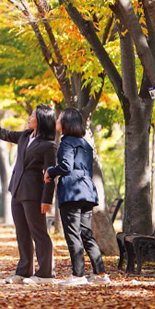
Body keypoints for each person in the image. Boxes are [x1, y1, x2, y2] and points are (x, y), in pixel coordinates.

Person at [0, 97, 57, 284]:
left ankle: (46, 273)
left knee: (39, 233)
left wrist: (47, 200)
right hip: (17, 190)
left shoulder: (49, 145)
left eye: (33, 115)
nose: (29, 117)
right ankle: (23, 272)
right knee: (22, 233)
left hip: (34, 193)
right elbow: (1, 132)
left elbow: (50, 174)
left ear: (42, 119)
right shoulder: (24, 136)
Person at [44, 107, 110, 286]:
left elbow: (65, 166)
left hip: (72, 192)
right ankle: (101, 274)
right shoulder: (86, 144)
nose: (56, 121)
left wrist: (50, 171)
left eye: (59, 119)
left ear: (66, 123)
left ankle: (78, 275)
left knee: (73, 234)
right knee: (87, 234)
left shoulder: (66, 143)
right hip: (87, 192)